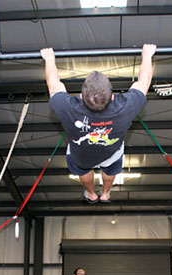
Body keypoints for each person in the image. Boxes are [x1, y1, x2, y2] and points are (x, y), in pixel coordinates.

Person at [40, 44, 156, 204]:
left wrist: (49, 58)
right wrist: (147, 55)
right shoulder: (125, 107)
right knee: (111, 167)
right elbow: (144, 82)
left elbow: (53, 83)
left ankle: (91, 194)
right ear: (113, 97)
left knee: (82, 168)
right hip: (111, 153)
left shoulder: (66, 107)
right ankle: (106, 194)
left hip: (81, 156)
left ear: (81, 96)